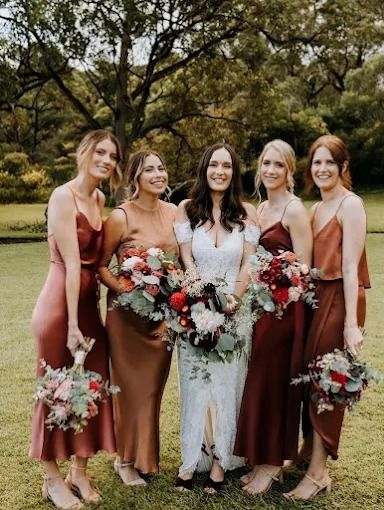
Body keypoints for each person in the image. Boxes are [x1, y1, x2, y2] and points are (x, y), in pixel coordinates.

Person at [30, 130, 122, 509]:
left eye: (113, 156)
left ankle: (79, 472)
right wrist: (71, 326)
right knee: (56, 390)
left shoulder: (99, 197)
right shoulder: (62, 196)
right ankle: (52, 480)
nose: (106, 160)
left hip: (88, 307)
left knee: (90, 385)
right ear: (85, 152)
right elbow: (71, 264)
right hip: (59, 307)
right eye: (100, 152)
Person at [284, 135, 370, 500]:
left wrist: (351, 324)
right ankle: (307, 451)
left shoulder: (351, 205)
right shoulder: (317, 208)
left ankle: (318, 473)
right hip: (315, 298)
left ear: (343, 167)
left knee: (325, 380)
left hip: (340, 299)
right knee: (307, 374)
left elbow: (350, 267)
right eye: (316, 163)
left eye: (329, 164)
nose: (321, 169)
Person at [173, 143, 260, 493]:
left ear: (234, 172)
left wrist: (232, 302)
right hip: (195, 312)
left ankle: (221, 463)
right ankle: (190, 462)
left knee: (225, 388)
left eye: (226, 166)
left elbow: (248, 265)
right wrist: (200, 300)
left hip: (234, 315)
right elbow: (186, 260)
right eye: (213, 165)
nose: (220, 171)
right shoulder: (186, 209)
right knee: (195, 388)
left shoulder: (247, 213)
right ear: (204, 169)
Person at [234, 140, 313, 495]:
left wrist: (277, 278)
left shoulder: (294, 210)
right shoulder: (262, 207)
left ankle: (272, 465)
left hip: (285, 310)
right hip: (259, 309)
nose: (270, 170)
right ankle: (260, 457)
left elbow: (305, 267)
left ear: (289, 170)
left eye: (278, 165)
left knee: (277, 383)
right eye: (266, 163)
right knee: (260, 382)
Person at [98, 151, 178, 487]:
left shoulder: (176, 213)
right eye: (150, 170)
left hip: (161, 318)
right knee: (129, 389)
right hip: (126, 321)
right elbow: (101, 266)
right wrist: (126, 290)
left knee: (151, 389)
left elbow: (182, 262)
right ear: (135, 178)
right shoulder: (120, 217)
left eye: (161, 168)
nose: (158, 174)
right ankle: (125, 460)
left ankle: (143, 455)